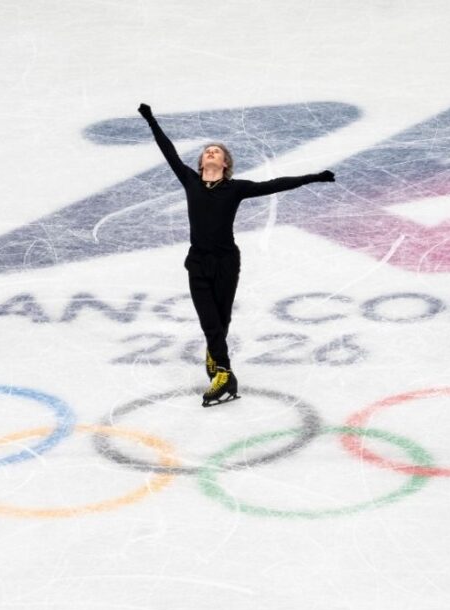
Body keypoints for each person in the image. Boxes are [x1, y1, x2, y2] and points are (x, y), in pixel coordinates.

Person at [138, 103, 336, 406]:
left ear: (225, 162)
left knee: (222, 318)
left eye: (217, 151)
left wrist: (313, 177)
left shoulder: (235, 188)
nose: (211, 152)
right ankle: (224, 373)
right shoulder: (190, 180)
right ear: (202, 162)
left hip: (226, 262)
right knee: (209, 320)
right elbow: (169, 152)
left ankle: (216, 357)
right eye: (207, 151)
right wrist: (151, 120)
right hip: (198, 262)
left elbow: (274, 185)